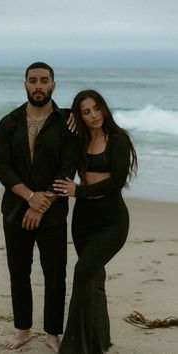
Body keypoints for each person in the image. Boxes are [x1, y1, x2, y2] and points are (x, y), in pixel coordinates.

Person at [0, 62, 79, 352]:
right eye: (33, 80)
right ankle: (23, 329)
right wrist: (30, 197)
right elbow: (2, 167)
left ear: (54, 84)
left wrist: (41, 204)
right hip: (15, 210)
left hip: (53, 213)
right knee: (19, 271)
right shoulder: (9, 122)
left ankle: (53, 333)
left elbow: (68, 168)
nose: (38, 85)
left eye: (44, 80)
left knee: (55, 272)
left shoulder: (68, 122)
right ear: (25, 84)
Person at [53, 89, 138, 354]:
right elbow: (54, 117)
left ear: (103, 108)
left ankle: (74, 346)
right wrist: (68, 114)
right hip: (83, 221)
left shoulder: (119, 140)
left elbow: (116, 182)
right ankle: (99, 341)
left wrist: (78, 190)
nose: (93, 116)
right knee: (93, 278)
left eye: (96, 109)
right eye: (86, 112)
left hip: (112, 221)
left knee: (82, 272)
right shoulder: (78, 140)